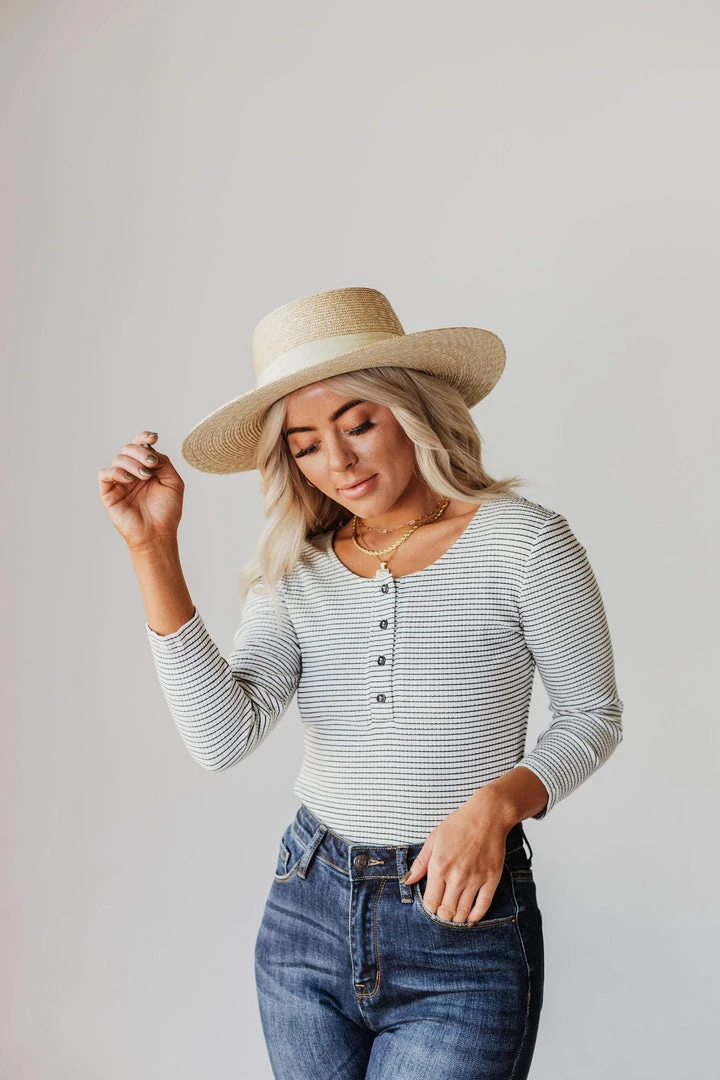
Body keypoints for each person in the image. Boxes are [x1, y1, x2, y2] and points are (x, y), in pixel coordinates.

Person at [98, 286, 624, 1080]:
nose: (337, 463)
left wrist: (495, 806)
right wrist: (152, 549)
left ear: (411, 412)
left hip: (461, 922)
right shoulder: (296, 568)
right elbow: (221, 738)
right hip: (306, 913)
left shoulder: (524, 543)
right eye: (306, 444)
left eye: (359, 424)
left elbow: (591, 716)